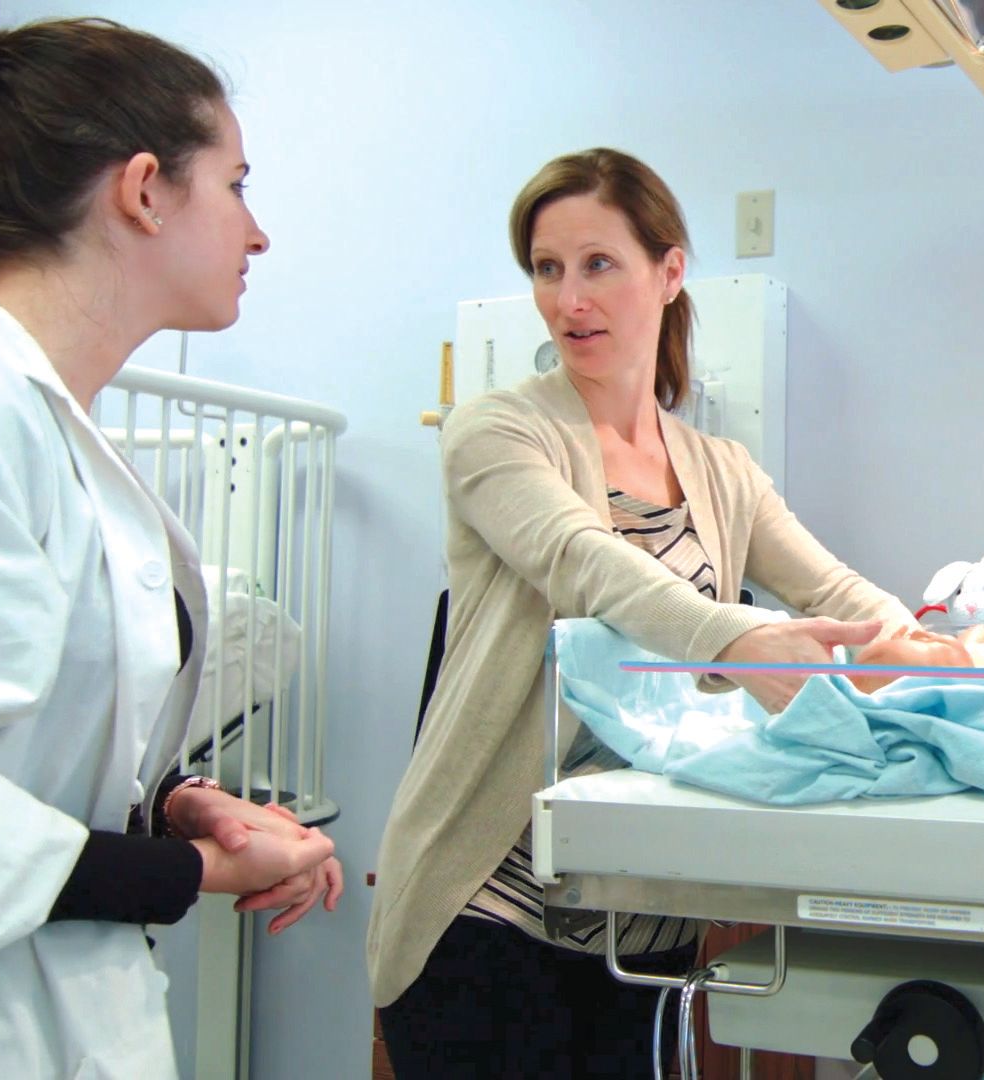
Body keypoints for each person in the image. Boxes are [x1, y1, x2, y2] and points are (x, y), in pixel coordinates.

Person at [368, 147, 916, 1078]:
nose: (568, 299)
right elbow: (587, 564)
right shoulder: (496, 431)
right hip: (487, 908)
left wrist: (934, 643)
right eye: (547, 269)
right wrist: (739, 640)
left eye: (598, 264)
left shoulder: (723, 470)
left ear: (669, 272)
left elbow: (833, 592)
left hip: (643, 919)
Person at [0, 5, 344, 1076]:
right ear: (143, 190)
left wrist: (173, 799)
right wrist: (197, 872)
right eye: (235, 185)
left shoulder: (50, 419)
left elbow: (43, 735)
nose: (256, 233)